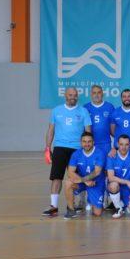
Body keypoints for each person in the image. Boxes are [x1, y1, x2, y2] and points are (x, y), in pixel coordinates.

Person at [43, 87, 92, 217]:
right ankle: (53, 206)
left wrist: (87, 148)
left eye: (75, 95)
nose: (73, 97)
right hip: (59, 147)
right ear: (65, 96)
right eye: (70, 95)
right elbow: (51, 130)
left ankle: (76, 204)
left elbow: (88, 131)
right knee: (56, 177)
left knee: (75, 177)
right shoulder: (56, 111)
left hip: (77, 149)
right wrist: (48, 147)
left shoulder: (83, 111)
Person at [63, 131, 106, 219]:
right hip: (82, 181)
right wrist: (85, 180)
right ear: (81, 142)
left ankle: (91, 199)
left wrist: (84, 180)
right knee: (68, 183)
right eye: (84, 141)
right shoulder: (76, 154)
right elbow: (70, 172)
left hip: (96, 183)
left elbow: (97, 172)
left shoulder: (100, 153)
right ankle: (71, 210)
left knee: (97, 213)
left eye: (89, 141)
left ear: (93, 142)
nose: (87, 144)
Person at [106, 134, 130, 219]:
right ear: (117, 144)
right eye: (121, 144)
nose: (124, 147)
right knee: (113, 185)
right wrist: (127, 182)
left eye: (126, 144)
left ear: (129, 144)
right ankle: (119, 208)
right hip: (116, 187)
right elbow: (111, 177)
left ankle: (124, 204)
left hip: (129, 189)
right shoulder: (112, 156)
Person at [84, 84, 114, 156]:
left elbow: (113, 128)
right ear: (91, 94)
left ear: (102, 94)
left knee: (105, 166)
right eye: (94, 93)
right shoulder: (85, 108)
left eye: (99, 92)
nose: (96, 95)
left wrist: (115, 146)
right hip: (90, 144)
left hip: (105, 144)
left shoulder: (109, 107)